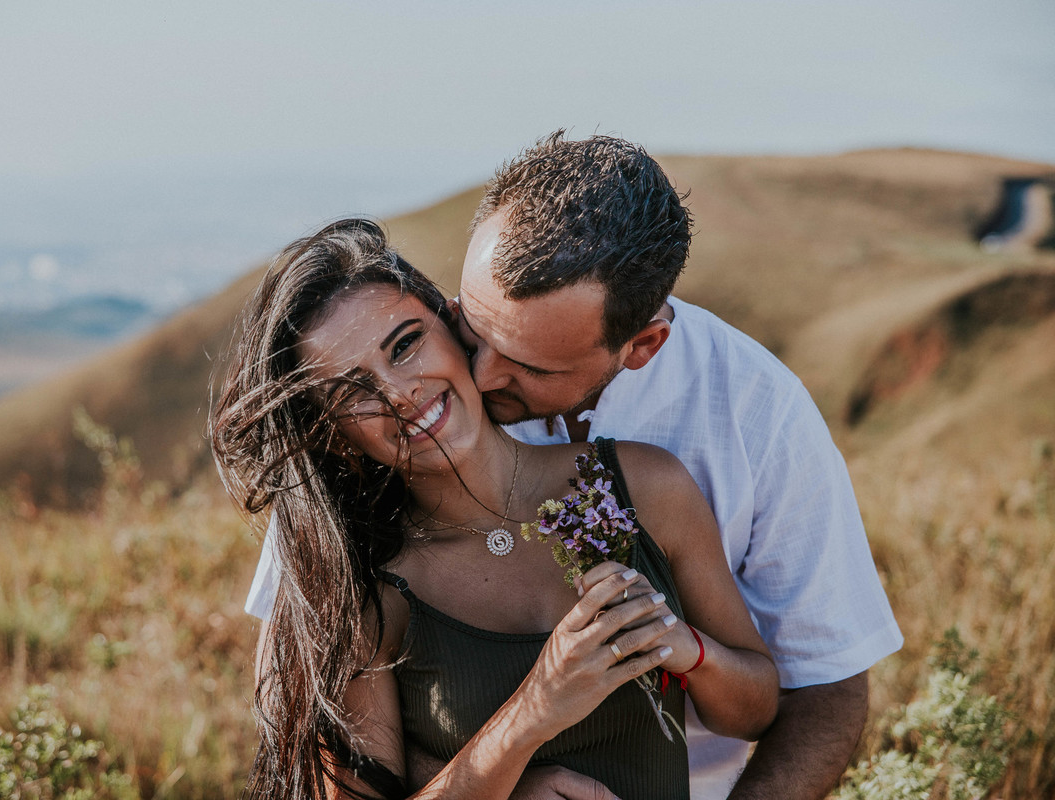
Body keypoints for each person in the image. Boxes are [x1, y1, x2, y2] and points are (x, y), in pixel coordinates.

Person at [245, 133, 903, 800]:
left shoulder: (746, 421)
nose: (478, 370)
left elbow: (821, 683)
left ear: (640, 346)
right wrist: (504, 766)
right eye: (471, 325)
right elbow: (301, 703)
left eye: (528, 365)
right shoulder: (353, 514)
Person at [213, 219, 779, 800]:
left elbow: (756, 709)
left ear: (454, 325)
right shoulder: (363, 593)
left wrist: (685, 647)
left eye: (405, 345)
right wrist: (527, 722)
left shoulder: (643, 486)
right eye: (352, 391)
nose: (400, 393)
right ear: (333, 434)